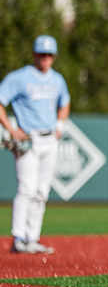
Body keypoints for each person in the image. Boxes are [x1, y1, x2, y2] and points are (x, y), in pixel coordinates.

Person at [0, 35, 70, 254]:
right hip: (28, 139)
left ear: (54, 56)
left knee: (41, 191)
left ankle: (33, 238)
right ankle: (18, 238)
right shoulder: (19, 78)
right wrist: (11, 130)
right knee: (27, 188)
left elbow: (65, 102)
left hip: (50, 138)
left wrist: (60, 125)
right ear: (34, 54)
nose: (45, 59)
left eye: (49, 55)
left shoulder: (57, 80)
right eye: (41, 54)